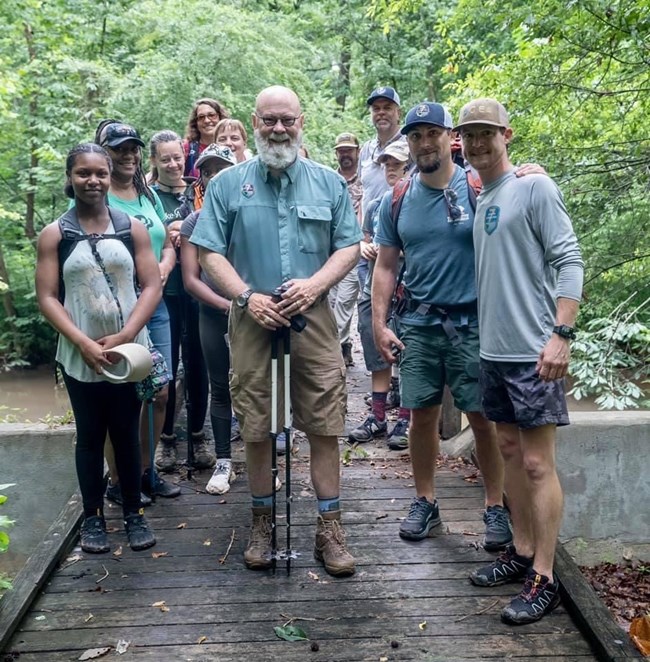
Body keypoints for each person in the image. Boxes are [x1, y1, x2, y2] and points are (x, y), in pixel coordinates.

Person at [190, 85, 362, 577]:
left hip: (315, 318)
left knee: (325, 422)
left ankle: (330, 530)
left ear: (301, 121)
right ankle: (262, 523)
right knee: (258, 422)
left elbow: (348, 247)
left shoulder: (328, 183)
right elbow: (209, 252)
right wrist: (246, 296)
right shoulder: (226, 185)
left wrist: (315, 286)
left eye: (287, 120)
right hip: (252, 319)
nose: (279, 129)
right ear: (255, 120)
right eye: (269, 121)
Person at [456, 98, 583, 624]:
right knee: (507, 449)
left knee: (536, 463)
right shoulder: (484, 196)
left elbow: (569, 258)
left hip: (535, 352)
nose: (478, 142)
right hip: (493, 351)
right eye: (470, 135)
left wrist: (562, 334)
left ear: (507, 134)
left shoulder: (535, 187)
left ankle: (546, 577)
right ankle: (523, 550)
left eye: (487, 133)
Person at [371, 101, 513, 554]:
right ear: (408, 143)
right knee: (420, 416)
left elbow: (514, 210)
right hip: (418, 321)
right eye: (415, 136)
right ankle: (425, 502)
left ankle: (494, 506)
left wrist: (531, 173)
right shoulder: (397, 200)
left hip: (473, 322)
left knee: (482, 418)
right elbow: (386, 266)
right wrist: (378, 323)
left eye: (432, 133)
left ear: (448, 136)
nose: (424, 142)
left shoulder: (478, 187)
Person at [36, 143, 159, 552]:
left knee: (126, 433)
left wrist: (125, 336)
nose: (93, 181)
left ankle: (133, 514)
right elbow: (48, 296)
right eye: (83, 173)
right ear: (70, 178)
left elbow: (152, 285)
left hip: (129, 353)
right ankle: (93, 519)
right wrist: (82, 341)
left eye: (100, 173)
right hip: (79, 352)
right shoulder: (56, 234)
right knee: (90, 436)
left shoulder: (131, 227)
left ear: (110, 176)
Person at [93, 120, 180, 501]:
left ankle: (146, 471)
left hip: (155, 305)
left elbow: (165, 243)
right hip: (113, 310)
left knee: (159, 390)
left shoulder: (147, 195)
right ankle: (117, 481)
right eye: (118, 149)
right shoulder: (96, 194)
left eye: (132, 148)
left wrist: (163, 267)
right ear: (104, 153)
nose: (127, 155)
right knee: (121, 396)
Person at [148, 130, 214, 472]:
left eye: (177, 157)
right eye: (165, 159)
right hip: (164, 293)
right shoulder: (147, 196)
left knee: (199, 363)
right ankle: (167, 440)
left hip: (198, 289)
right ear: (154, 162)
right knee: (168, 365)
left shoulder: (198, 190)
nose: (173, 164)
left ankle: (199, 435)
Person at [180, 144, 239, 494]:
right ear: (201, 178)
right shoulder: (194, 221)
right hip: (213, 315)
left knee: (256, 385)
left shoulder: (250, 215)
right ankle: (224, 461)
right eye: (208, 169)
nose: (215, 175)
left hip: (254, 314)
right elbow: (191, 279)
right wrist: (226, 305)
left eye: (222, 168)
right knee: (220, 386)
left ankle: (265, 460)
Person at [349, 140, 411, 448]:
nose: (390, 169)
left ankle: (405, 419)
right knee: (376, 348)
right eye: (386, 164)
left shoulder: (417, 201)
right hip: (376, 284)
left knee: (409, 351)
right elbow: (362, 241)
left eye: (396, 164)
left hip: (409, 288)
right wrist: (366, 247)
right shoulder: (376, 205)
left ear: (408, 166)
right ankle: (377, 415)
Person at [328, 132, 363, 367]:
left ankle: (331, 348)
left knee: (345, 300)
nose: (345, 154)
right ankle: (343, 345)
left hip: (355, 248)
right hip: (331, 250)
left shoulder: (367, 178)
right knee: (330, 301)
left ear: (358, 151)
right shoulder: (330, 179)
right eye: (341, 150)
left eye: (349, 150)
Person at [358, 86, 407, 219]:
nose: (381, 113)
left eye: (387, 108)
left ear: (399, 113)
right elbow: (364, 192)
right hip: (369, 233)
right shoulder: (366, 150)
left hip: (399, 228)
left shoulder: (411, 144)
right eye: (376, 109)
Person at [183, 98, 230, 178]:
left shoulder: (230, 145)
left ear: (220, 117)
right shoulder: (187, 148)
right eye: (201, 117)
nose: (207, 121)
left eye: (211, 115)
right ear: (196, 122)